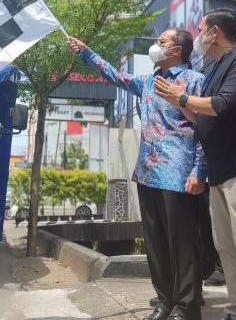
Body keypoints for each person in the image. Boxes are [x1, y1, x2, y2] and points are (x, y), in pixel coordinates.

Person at [67, 29, 205, 320]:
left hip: (179, 173)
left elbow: (205, 130)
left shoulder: (195, 82)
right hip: (147, 172)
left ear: (177, 50)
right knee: (154, 242)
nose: (155, 46)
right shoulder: (148, 82)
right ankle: (164, 301)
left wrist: (199, 170)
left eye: (161, 42)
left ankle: (186, 306)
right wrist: (85, 52)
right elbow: (116, 76)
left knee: (182, 242)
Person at [155, 8, 236, 320]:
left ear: (215, 32)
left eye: (201, 29)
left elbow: (222, 106)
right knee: (227, 246)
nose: (198, 36)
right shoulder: (214, 67)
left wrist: (182, 98)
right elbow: (203, 117)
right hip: (219, 170)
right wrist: (177, 101)